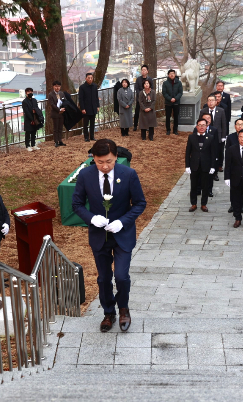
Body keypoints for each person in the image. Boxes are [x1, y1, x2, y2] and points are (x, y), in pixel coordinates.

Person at [72, 139, 147, 332]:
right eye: (100, 162)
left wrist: (122, 221)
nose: (105, 166)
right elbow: (77, 204)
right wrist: (91, 218)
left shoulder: (128, 174)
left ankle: (123, 309)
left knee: (121, 276)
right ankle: (108, 312)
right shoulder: (85, 175)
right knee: (104, 278)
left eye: (109, 161)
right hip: (99, 235)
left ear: (116, 158)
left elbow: (139, 203)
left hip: (122, 234)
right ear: (93, 159)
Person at [185, 119, 217, 212]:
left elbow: (213, 153)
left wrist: (212, 166)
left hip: (206, 166)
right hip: (194, 165)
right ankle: (193, 204)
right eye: (200, 125)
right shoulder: (191, 137)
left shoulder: (210, 137)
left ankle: (204, 204)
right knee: (194, 186)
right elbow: (188, 153)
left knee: (205, 186)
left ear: (207, 126)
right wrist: (187, 165)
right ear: (197, 126)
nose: (202, 127)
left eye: (204, 125)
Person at [79, 73, 100, 142]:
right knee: (86, 124)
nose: (90, 79)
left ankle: (92, 136)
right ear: (86, 78)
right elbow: (81, 99)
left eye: (91, 78)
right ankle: (86, 137)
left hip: (93, 107)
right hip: (86, 108)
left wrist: (98, 105)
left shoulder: (94, 86)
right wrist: (82, 108)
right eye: (89, 78)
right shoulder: (82, 87)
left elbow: (96, 97)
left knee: (92, 123)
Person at [162, 69, 183, 135]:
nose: (172, 75)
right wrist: (170, 99)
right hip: (168, 102)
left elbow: (180, 92)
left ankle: (175, 130)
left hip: (176, 102)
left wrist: (175, 99)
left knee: (176, 116)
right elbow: (164, 93)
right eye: (170, 73)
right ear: (168, 75)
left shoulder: (179, 83)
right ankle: (168, 130)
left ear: (175, 74)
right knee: (168, 116)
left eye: (173, 73)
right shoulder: (165, 83)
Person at [47, 80, 68, 147]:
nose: (57, 88)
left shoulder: (61, 93)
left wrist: (63, 108)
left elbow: (65, 101)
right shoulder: (51, 95)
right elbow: (52, 104)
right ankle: (56, 141)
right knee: (55, 128)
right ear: (53, 87)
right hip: (55, 113)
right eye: (56, 86)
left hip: (62, 113)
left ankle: (60, 140)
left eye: (58, 86)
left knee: (60, 128)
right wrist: (58, 109)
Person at [134, 65, 151, 131]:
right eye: (142, 70)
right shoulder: (138, 79)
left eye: (144, 70)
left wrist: (147, 95)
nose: (143, 71)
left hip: (147, 99)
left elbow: (151, 88)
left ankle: (147, 125)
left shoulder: (149, 79)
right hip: (139, 98)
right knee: (137, 112)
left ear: (147, 71)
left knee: (146, 112)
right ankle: (135, 125)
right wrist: (141, 95)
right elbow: (137, 88)